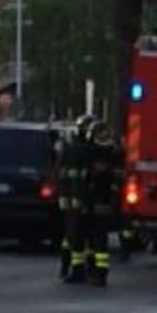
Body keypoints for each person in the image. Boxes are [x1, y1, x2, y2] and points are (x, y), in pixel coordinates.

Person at [85, 120, 125, 287]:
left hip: (94, 201)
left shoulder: (90, 153)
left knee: (94, 239)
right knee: (98, 239)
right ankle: (98, 271)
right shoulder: (115, 153)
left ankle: (96, 271)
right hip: (106, 202)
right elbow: (118, 180)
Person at [57, 115, 95, 283]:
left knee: (70, 236)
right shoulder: (87, 150)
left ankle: (66, 267)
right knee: (83, 237)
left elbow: (60, 174)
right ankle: (81, 270)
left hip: (68, 201)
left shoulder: (67, 149)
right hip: (81, 200)